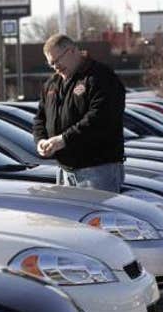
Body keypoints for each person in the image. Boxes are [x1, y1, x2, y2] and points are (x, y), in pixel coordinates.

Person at [32, 33, 126, 193]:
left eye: (57, 61)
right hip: (64, 170)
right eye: (51, 64)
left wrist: (63, 139)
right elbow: (40, 118)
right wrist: (40, 140)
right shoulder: (52, 84)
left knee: (97, 217)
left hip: (97, 170)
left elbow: (100, 119)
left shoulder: (100, 77)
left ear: (72, 51)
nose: (55, 67)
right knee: (66, 218)